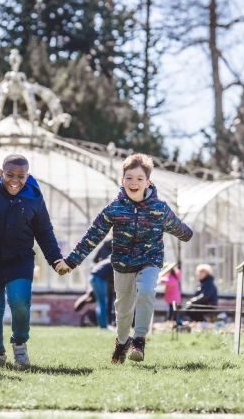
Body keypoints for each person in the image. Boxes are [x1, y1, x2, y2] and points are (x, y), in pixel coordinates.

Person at [56, 153, 193, 364]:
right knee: (123, 307)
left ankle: (139, 340)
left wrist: (187, 233)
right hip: (122, 264)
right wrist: (71, 261)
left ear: (148, 182)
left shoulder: (159, 209)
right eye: (129, 178)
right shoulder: (115, 208)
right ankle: (121, 343)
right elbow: (93, 235)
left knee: (147, 291)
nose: (134, 183)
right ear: (123, 181)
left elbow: (180, 229)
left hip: (150, 261)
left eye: (139, 178)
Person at [0, 154, 66, 367]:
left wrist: (56, 259)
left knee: (20, 302)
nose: (15, 180)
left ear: (28, 175)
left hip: (19, 259)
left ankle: (20, 345)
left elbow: (44, 231)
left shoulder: (34, 196)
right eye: (10, 174)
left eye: (21, 176)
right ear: (1, 172)